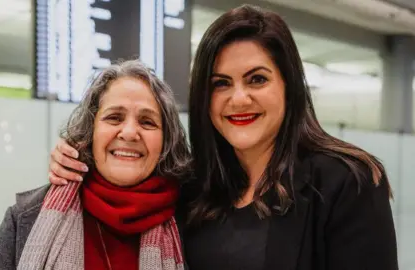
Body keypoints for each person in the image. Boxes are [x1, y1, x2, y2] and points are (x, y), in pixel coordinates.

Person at [47, 4, 398, 270]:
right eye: (221, 84)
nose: (239, 98)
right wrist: (77, 160)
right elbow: (126, 176)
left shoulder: (346, 182)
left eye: (257, 79)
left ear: (288, 87)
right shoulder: (193, 188)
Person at [0, 60, 192, 270]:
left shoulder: (193, 220)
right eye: (114, 117)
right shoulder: (26, 218)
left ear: (166, 140)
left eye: (147, 122)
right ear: (91, 130)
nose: (129, 133)